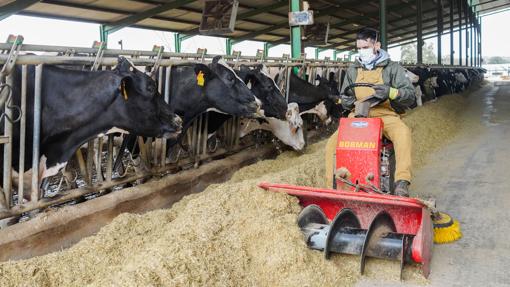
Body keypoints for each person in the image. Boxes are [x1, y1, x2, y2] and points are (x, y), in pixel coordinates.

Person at [324, 27, 415, 196]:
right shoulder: (353, 70)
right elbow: (347, 95)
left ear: (376, 45)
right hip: (358, 114)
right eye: (358, 48)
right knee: (331, 144)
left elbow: (410, 96)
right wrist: (346, 101)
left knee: (403, 133)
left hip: (385, 114)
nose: (361, 51)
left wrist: (390, 92)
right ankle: (332, 187)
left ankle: (402, 182)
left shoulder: (392, 68)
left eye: (365, 47)